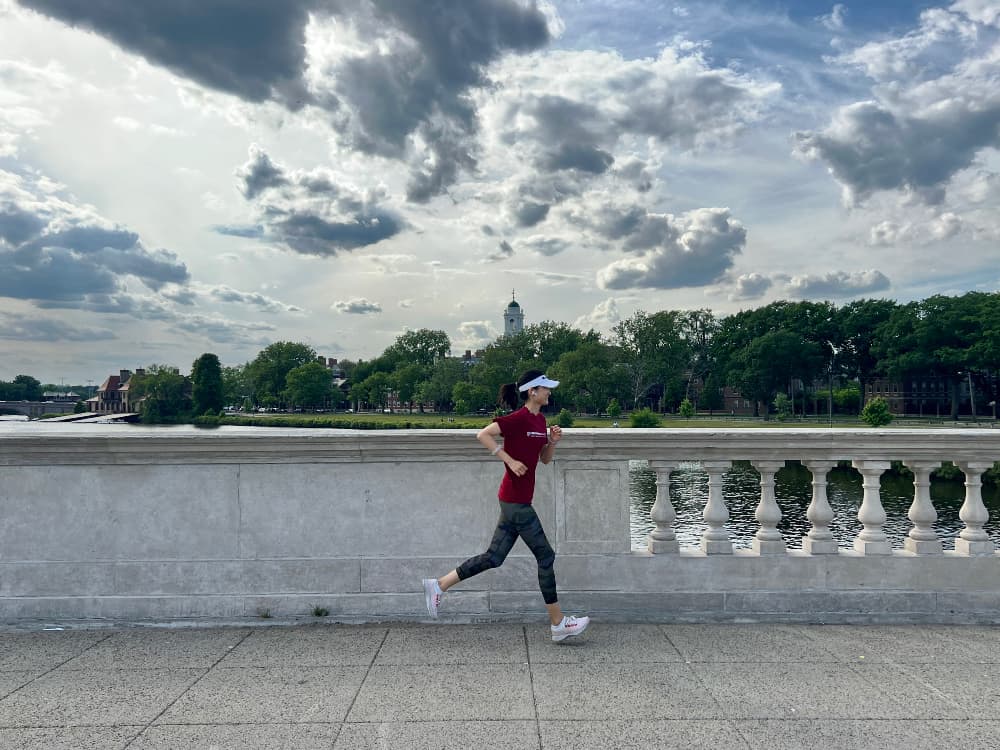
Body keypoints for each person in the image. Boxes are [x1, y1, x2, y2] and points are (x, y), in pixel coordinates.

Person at [422, 370, 590, 642]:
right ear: (532, 391)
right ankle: (559, 623)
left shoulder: (539, 420)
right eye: (545, 388)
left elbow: (544, 460)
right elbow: (484, 435)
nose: (549, 392)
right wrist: (508, 460)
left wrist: (551, 442)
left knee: (493, 557)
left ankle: (439, 585)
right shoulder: (518, 418)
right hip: (515, 501)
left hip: (517, 499)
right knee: (546, 556)